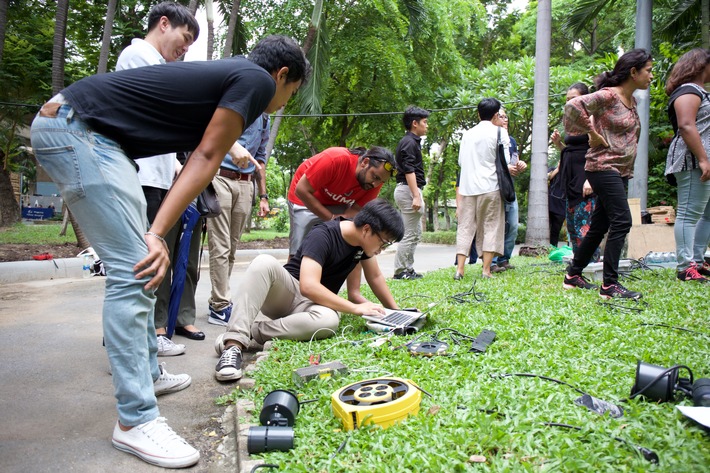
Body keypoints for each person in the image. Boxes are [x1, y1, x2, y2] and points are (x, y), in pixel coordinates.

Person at [30, 35, 310, 468]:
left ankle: (150, 375)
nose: (286, 102)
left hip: (92, 134)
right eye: (291, 93)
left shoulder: (231, 76)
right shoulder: (255, 80)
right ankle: (135, 420)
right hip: (79, 131)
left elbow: (200, 149)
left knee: (141, 267)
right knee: (137, 269)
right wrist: (158, 233)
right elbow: (208, 154)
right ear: (282, 75)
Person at [213, 199, 405, 381]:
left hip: (314, 306)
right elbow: (308, 286)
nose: (383, 248)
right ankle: (233, 345)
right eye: (384, 242)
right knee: (263, 262)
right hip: (286, 293)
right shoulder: (324, 234)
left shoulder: (362, 247)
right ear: (366, 229)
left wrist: (397, 313)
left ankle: (253, 331)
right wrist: (355, 309)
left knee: (329, 320)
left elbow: (374, 279)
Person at [116, 1, 202, 354]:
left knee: (152, 263)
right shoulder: (139, 57)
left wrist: (178, 168)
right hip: (142, 181)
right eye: (185, 37)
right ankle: (134, 344)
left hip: (158, 181)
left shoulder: (154, 62)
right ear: (163, 24)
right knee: (141, 264)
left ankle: (147, 339)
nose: (185, 48)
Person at [562, 48, 653, 299]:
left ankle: (573, 274)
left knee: (600, 225)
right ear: (633, 72)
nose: (651, 76)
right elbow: (572, 107)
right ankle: (609, 285)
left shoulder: (631, 101)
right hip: (603, 166)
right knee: (622, 220)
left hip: (619, 170)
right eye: (648, 71)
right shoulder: (608, 96)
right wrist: (591, 133)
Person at [287, 146, 396, 302]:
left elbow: (357, 210)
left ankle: (354, 293)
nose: (375, 184)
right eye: (375, 176)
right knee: (299, 247)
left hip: (338, 203)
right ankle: (290, 293)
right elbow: (302, 189)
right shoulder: (335, 159)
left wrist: (340, 223)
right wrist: (330, 218)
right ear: (365, 162)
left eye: (380, 181)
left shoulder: (374, 183)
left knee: (356, 237)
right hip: (306, 196)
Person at [207, 114, 271, 326]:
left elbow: (260, 157)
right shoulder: (237, 104)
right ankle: (220, 305)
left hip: (246, 184)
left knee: (232, 247)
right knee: (221, 245)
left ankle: (219, 301)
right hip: (220, 177)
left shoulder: (264, 118)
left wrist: (263, 196)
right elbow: (213, 132)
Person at [664, 48, 710, 283]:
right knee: (688, 213)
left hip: (703, 160)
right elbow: (686, 125)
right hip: (692, 160)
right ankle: (685, 267)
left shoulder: (700, 91)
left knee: (707, 214)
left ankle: (698, 261)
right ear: (702, 65)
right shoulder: (688, 91)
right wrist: (703, 159)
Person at [455, 98, 507, 279]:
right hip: (491, 186)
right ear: (495, 115)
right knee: (491, 226)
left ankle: (459, 270)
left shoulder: (467, 134)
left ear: (478, 114)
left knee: (465, 226)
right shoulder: (500, 132)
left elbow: (461, 162)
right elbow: (505, 162)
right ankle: (486, 271)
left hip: (468, 188)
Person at [551, 83, 601, 261]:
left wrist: (591, 180)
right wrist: (559, 145)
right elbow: (572, 151)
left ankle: (591, 261)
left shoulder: (593, 118)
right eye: (567, 100)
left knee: (585, 224)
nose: (570, 103)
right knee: (572, 224)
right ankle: (578, 263)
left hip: (586, 177)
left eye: (574, 99)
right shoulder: (570, 122)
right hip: (570, 178)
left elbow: (598, 150)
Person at [393, 105, 430, 280]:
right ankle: (400, 271)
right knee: (409, 233)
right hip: (408, 190)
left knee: (416, 234)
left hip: (411, 190)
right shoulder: (408, 142)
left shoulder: (412, 142)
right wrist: (416, 195)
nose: (427, 125)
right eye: (424, 122)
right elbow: (409, 170)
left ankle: (408, 268)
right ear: (415, 124)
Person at [490, 108, 527, 272]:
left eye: (506, 116)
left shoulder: (511, 140)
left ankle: (504, 259)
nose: (504, 119)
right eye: (501, 116)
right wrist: (505, 168)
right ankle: (492, 262)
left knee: (512, 225)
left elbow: (514, 161)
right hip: (493, 187)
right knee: (495, 225)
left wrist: (520, 165)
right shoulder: (489, 138)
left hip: (509, 188)